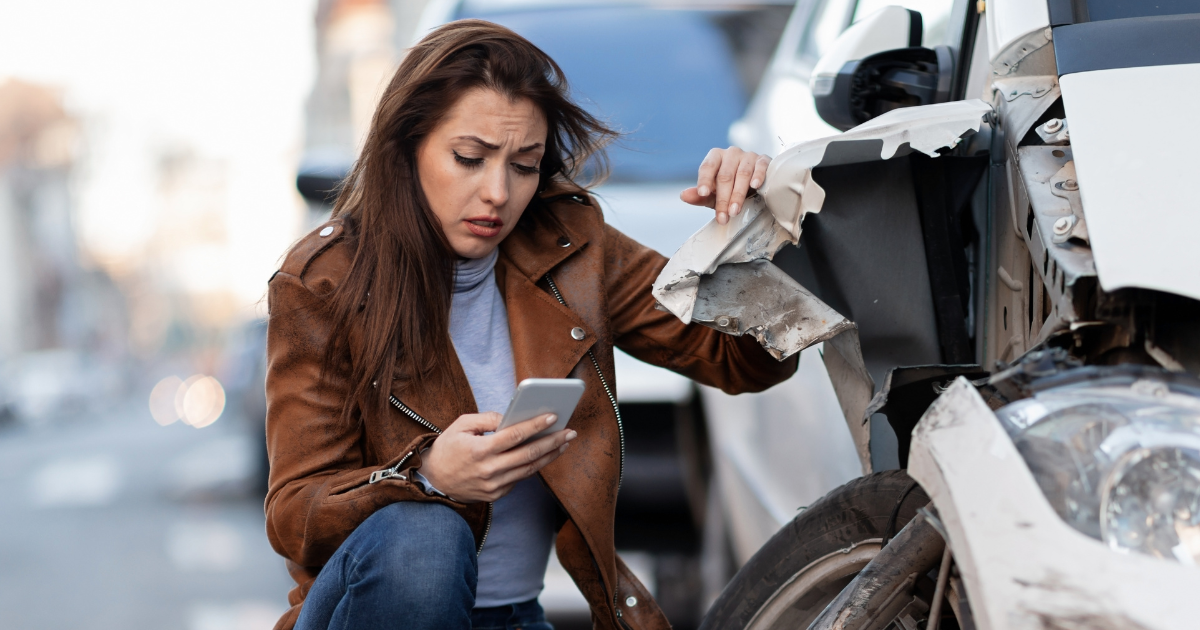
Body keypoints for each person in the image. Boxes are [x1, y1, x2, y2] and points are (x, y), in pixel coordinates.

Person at [265, 19, 796, 630]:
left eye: (524, 165)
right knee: (425, 536)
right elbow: (294, 513)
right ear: (407, 149)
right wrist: (429, 476)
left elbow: (747, 361)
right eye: (469, 158)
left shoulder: (569, 246)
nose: (497, 192)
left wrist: (749, 231)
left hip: (515, 618)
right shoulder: (323, 282)